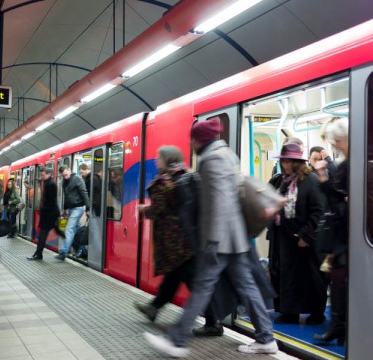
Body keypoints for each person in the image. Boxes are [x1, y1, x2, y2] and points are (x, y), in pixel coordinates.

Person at [144, 118, 278, 357]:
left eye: (192, 140)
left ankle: (176, 340)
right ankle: (266, 338)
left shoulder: (211, 159)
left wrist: (212, 241)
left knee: (203, 287)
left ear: (197, 139)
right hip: (234, 238)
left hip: (221, 238)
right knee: (247, 287)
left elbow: (220, 201)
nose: (191, 144)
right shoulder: (226, 153)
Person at [135, 145, 223, 336]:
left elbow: (158, 210)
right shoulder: (187, 175)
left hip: (174, 241)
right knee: (174, 277)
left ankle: (213, 323)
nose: (157, 162)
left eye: (159, 158)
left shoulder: (164, 182)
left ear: (167, 160)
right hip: (188, 238)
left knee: (193, 283)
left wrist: (144, 210)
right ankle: (154, 307)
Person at [268, 143, 327, 325]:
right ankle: (289, 312)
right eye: (284, 161)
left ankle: (316, 313)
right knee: (286, 275)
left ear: (297, 162)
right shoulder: (279, 181)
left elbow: (319, 210)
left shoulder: (311, 181)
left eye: (289, 161)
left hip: (305, 238)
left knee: (311, 277)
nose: (286, 165)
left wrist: (306, 234)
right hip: (283, 237)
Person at [313, 117, 349, 345]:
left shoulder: (349, 164)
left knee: (339, 279)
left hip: (345, 232)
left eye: (337, 140)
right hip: (344, 232)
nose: (334, 144)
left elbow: (338, 199)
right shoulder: (348, 162)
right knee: (338, 280)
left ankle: (339, 326)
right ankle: (339, 327)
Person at [27, 168, 63, 260]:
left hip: (49, 214)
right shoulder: (48, 183)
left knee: (43, 234)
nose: (41, 177)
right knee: (56, 232)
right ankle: (38, 254)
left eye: (43, 175)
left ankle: (38, 254)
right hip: (50, 213)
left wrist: (43, 209)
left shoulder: (50, 184)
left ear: (49, 174)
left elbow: (51, 201)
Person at [55, 165, 89, 261]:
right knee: (77, 229)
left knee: (69, 229)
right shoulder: (64, 182)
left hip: (78, 208)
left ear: (69, 170)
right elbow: (66, 195)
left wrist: (88, 208)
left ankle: (63, 252)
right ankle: (86, 251)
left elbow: (84, 193)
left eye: (66, 175)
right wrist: (65, 209)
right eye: (63, 176)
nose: (65, 177)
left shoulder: (77, 179)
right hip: (70, 209)